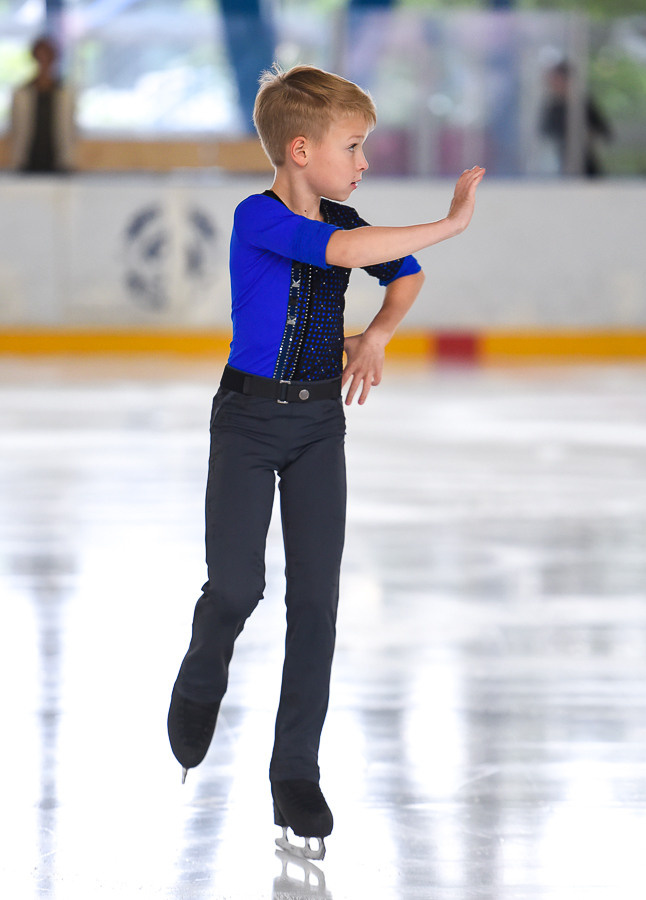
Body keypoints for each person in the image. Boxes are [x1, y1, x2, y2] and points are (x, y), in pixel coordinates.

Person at [167, 63, 484, 860]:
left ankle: (294, 774)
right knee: (238, 586)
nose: (364, 159)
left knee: (317, 604)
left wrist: (374, 335)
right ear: (301, 150)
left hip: (317, 428)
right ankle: (204, 668)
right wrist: (446, 224)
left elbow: (400, 276)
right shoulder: (258, 216)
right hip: (245, 421)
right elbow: (345, 250)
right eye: (354, 145)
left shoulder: (343, 209)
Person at [9, 35, 77, 173]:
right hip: (28, 162)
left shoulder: (65, 94)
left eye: (47, 56)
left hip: (59, 163)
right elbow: (15, 129)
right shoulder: (22, 94)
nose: (44, 61)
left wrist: (71, 158)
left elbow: (71, 130)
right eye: (40, 56)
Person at [539, 61, 612, 177]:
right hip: (561, 165)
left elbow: (605, 131)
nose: (553, 84)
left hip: (586, 165)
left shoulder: (583, 104)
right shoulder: (551, 106)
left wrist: (588, 135)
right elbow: (543, 132)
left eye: (557, 79)